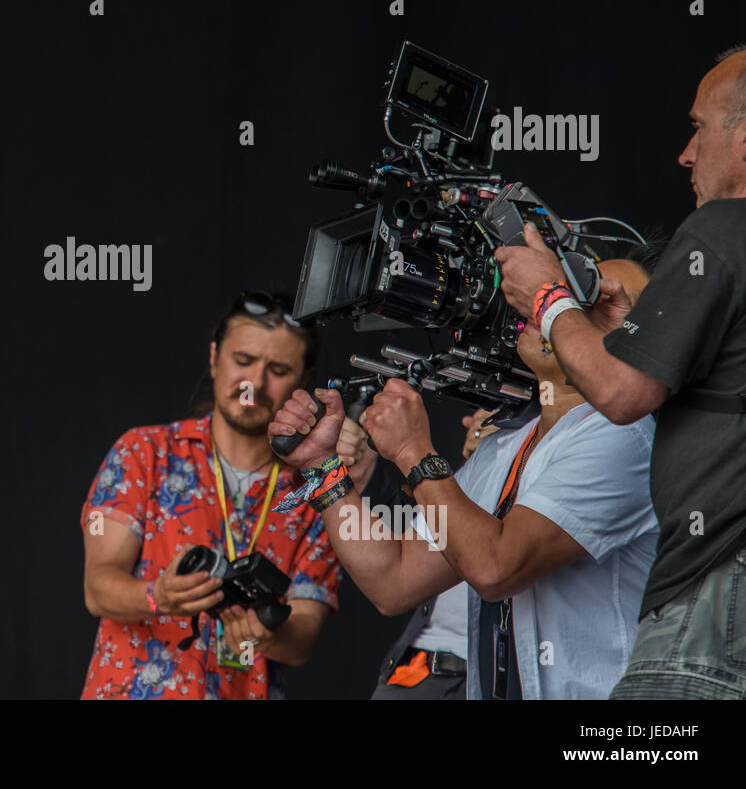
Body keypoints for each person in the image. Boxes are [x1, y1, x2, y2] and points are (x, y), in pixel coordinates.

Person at [270, 255, 662, 699]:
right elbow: (394, 580)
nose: (555, 303)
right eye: (567, 284)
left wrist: (412, 451)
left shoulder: (624, 436)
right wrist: (322, 469)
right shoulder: (507, 445)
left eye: (598, 300)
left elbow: (496, 567)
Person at [494, 48, 746, 699]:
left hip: (707, 614)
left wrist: (550, 298)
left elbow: (621, 392)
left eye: (699, 127)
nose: (686, 155)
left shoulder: (723, 227)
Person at [79, 292, 364, 699]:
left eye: (278, 369)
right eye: (243, 361)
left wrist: (268, 634)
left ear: (302, 384)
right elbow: (99, 587)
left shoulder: (316, 489)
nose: (255, 383)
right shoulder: (144, 452)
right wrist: (157, 596)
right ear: (214, 357)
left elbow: (304, 636)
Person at [366, 409, 494, 700]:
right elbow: (397, 574)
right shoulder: (486, 453)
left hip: (497, 674)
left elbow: (493, 568)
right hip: (421, 670)